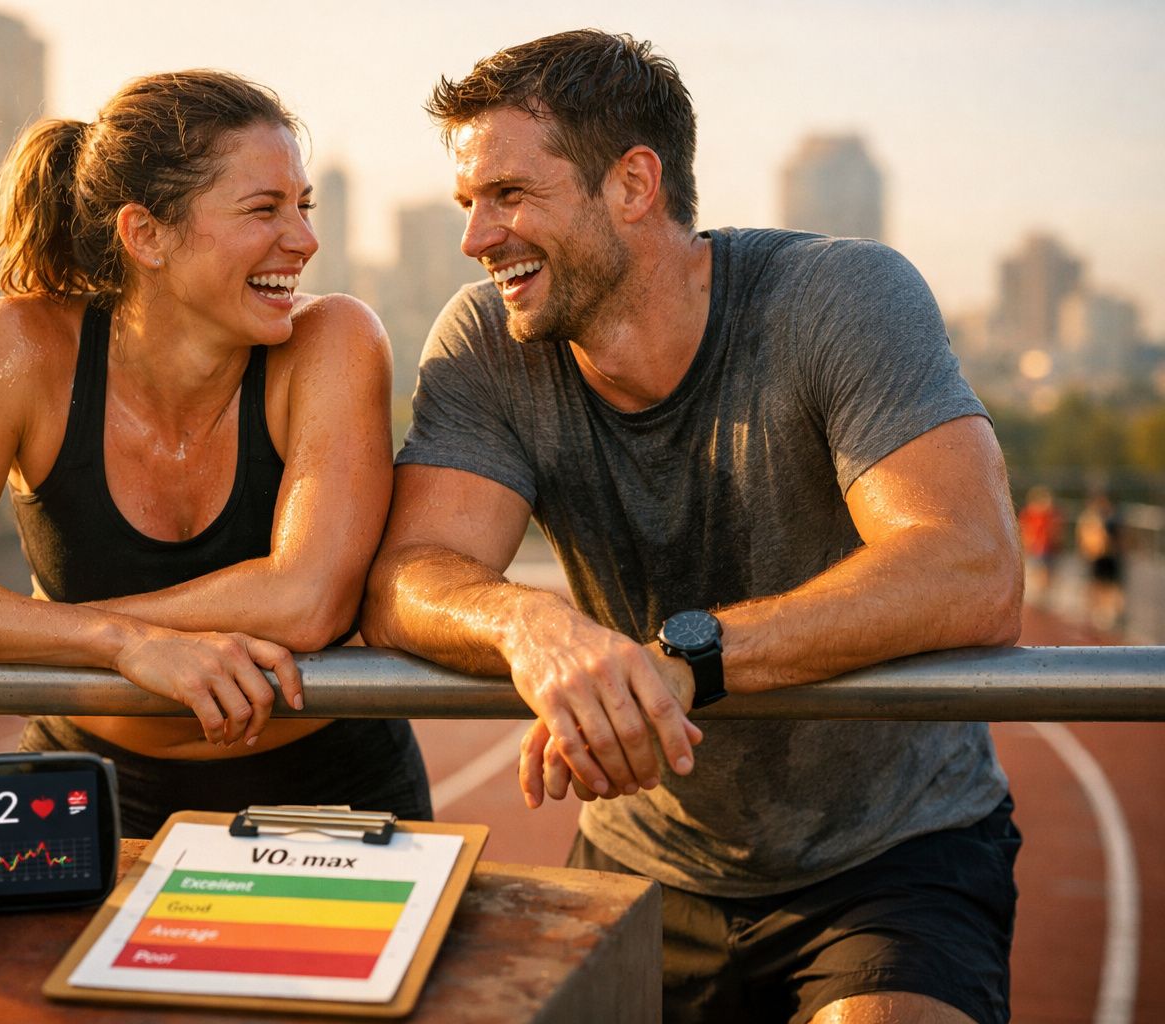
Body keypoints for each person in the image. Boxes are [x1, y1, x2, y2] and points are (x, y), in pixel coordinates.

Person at [362, 30, 1023, 1024]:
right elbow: (410, 572)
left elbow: (973, 565)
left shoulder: (840, 296)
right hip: (647, 854)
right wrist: (528, 625)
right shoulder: (488, 340)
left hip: (890, 858)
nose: (477, 237)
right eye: (468, 204)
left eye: (508, 195)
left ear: (633, 184)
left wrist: (689, 661)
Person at [0, 70, 430, 838]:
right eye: (265, 209)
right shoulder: (20, 348)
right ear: (145, 234)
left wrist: (72, 628)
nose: (305, 239)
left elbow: (308, 599)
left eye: (304, 205)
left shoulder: (336, 340)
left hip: (326, 790)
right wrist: (122, 644)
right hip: (89, 788)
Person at [1076, 491, 1125, 631]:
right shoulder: (1090, 518)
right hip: (1096, 556)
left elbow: (1119, 537)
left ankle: (1108, 613)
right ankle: (1094, 613)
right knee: (1096, 584)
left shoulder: (1112, 519)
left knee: (1109, 585)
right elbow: (1084, 536)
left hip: (1109, 556)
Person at [1017, 485, 1063, 606]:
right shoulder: (1029, 514)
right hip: (1036, 549)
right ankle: (1039, 599)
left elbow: (1055, 532)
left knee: (1047, 574)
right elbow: (1025, 530)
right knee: (1038, 574)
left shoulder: (1051, 514)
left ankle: (1043, 598)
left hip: (1048, 549)